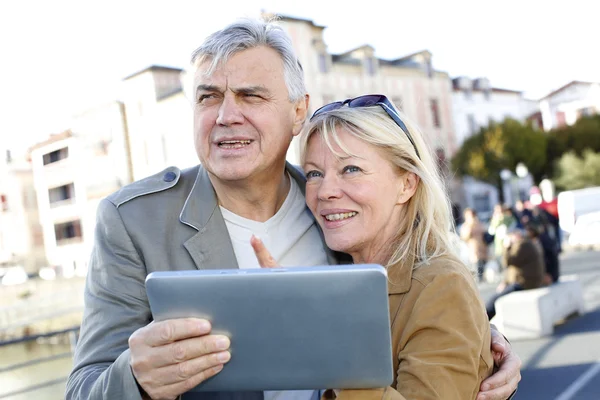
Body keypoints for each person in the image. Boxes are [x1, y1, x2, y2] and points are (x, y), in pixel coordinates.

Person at [66, 17, 520, 400]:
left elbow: (421, 306)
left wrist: (482, 343)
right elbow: (84, 387)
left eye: (251, 95)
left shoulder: (338, 213)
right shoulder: (132, 221)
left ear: (299, 111)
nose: (226, 115)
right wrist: (137, 379)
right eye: (208, 96)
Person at [251, 96, 501, 399]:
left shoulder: (442, 284)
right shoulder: (344, 274)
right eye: (315, 173)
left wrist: (319, 340)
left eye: (351, 169)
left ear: (407, 185)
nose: (325, 191)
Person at [486, 228, 545, 320]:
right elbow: (512, 269)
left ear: (516, 236)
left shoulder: (522, 245)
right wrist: (505, 282)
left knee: (494, 299)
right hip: (525, 281)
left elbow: (507, 261)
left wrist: (506, 247)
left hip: (525, 283)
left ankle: (484, 319)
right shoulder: (525, 244)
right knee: (496, 297)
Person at [460, 208, 490, 281]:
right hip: (473, 247)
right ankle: (479, 278)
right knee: (476, 263)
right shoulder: (466, 225)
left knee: (483, 262)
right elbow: (464, 237)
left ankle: (482, 277)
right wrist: (470, 227)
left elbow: (484, 232)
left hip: (482, 245)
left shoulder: (479, 223)